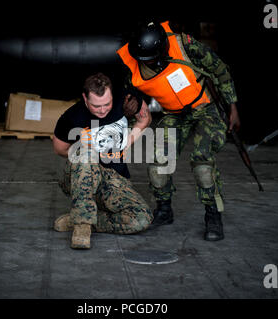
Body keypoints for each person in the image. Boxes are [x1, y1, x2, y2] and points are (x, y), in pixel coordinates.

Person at [117, 21, 241, 241]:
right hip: (174, 113)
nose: (148, 63)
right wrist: (130, 113)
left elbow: (220, 69)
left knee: (202, 161)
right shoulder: (136, 62)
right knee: (158, 163)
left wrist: (232, 107)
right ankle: (164, 210)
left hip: (206, 108)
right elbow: (133, 96)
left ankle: (213, 214)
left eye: (152, 59)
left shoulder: (186, 46)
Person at [52, 73, 153, 249]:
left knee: (141, 218)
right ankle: (82, 227)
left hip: (114, 180)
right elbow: (60, 149)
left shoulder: (126, 100)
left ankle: (81, 218)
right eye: (96, 105)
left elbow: (145, 118)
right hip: (82, 177)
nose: (103, 110)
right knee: (85, 154)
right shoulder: (72, 117)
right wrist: (83, 152)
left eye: (107, 104)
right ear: (85, 98)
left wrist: (127, 141)